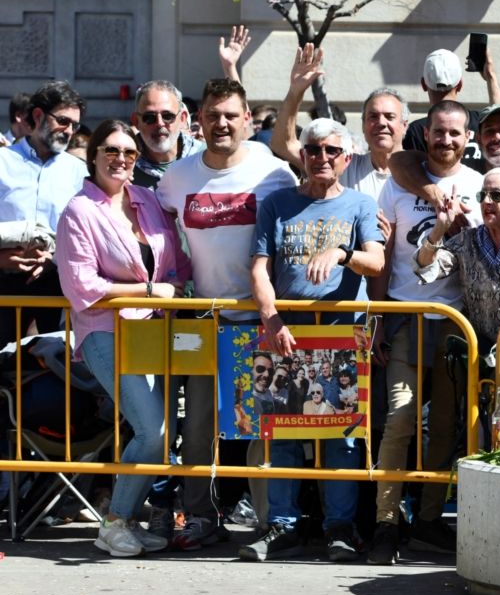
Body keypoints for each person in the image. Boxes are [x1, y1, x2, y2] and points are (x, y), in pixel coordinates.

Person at [156, 78, 298, 550]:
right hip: (203, 319)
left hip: (262, 319)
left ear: (246, 121)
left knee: (264, 428)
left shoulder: (273, 172)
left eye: (231, 115)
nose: (221, 123)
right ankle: (199, 515)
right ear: (199, 121)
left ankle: (268, 521)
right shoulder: (176, 177)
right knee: (197, 428)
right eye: (213, 115)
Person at [244, 117, 384, 563]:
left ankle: (338, 529)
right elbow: (259, 268)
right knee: (281, 433)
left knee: (339, 437)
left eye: (331, 151)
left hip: (341, 335)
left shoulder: (360, 204)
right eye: (313, 150)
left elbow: (376, 262)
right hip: (287, 334)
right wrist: (271, 318)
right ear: (301, 156)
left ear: (345, 159)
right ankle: (282, 526)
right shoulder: (277, 203)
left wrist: (342, 254)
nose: (322, 158)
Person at [55, 119, 192, 557]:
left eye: (129, 153)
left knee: (163, 431)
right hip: (104, 331)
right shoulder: (79, 210)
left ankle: (127, 520)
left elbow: (173, 267)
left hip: (155, 330)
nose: (121, 159)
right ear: (93, 155)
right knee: (152, 431)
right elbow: (83, 288)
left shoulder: (147, 200)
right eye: (111, 151)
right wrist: (148, 291)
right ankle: (113, 521)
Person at [368, 100, 484, 565]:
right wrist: (375, 316)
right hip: (405, 315)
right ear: (426, 134)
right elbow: (382, 252)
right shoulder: (398, 184)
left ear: (466, 138)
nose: (447, 140)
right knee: (398, 421)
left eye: (455, 133)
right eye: (439, 132)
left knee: (444, 429)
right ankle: (385, 521)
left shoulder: (478, 186)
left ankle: (430, 520)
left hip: (458, 323)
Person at [416, 167, 500, 410]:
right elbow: (426, 268)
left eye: (496, 196)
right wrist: (439, 228)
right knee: (484, 440)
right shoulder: (467, 240)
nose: (487, 202)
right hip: (485, 369)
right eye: (483, 196)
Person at [272, 45, 408, 199]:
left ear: (405, 125)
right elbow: (283, 144)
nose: (381, 123)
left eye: (389, 116)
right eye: (373, 117)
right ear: (363, 125)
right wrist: (295, 92)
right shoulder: (342, 164)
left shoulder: (423, 171)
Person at [0, 81, 88, 314]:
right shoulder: (3, 162)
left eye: (75, 125)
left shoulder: (81, 172)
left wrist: (54, 260)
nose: (69, 130)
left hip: (58, 290)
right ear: (38, 115)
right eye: (63, 121)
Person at [129, 81, 204, 189]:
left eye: (168, 116)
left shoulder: (205, 157)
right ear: (136, 121)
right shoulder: (123, 164)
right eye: (149, 117)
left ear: (182, 118)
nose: (159, 123)